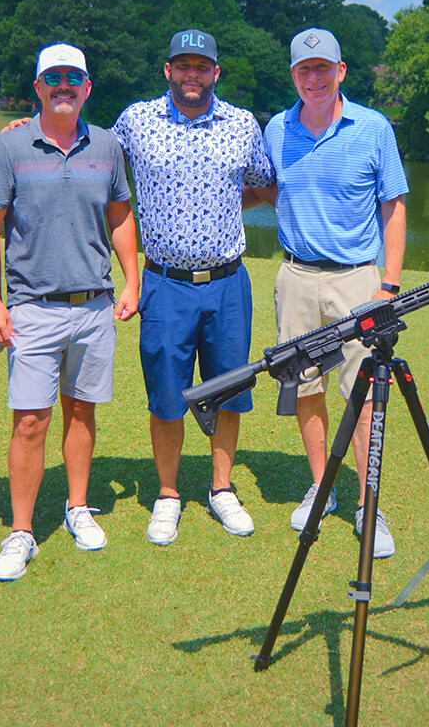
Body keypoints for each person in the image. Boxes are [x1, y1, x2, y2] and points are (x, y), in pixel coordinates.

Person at [0, 43, 139, 581]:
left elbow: (119, 216)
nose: (63, 86)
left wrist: (132, 278)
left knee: (83, 411)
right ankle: (22, 531)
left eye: (74, 78)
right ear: (38, 87)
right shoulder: (9, 146)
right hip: (32, 308)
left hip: (93, 305)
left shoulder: (108, 146)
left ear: (87, 87)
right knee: (29, 421)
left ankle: (76, 508)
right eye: (54, 78)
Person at [112, 29, 275, 545]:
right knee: (167, 395)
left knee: (230, 389)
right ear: (167, 70)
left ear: (215, 73)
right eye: (182, 65)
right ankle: (167, 494)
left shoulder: (242, 124)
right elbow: (90, 162)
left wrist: (225, 205)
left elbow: (267, 184)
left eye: (201, 66)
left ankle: (221, 489)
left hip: (227, 283)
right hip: (164, 284)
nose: (191, 75)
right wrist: (31, 127)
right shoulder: (136, 121)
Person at [255, 28, 408, 558]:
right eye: (304, 70)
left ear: (341, 71)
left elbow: (394, 206)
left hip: (357, 279)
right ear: (293, 76)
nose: (314, 78)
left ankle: (370, 504)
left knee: (363, 392)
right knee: (305, 384)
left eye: (323, 69)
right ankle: (322, 485)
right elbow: (256, 184)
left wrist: (388, 284)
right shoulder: (276, 128)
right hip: (296, 276)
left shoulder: (372, 128)